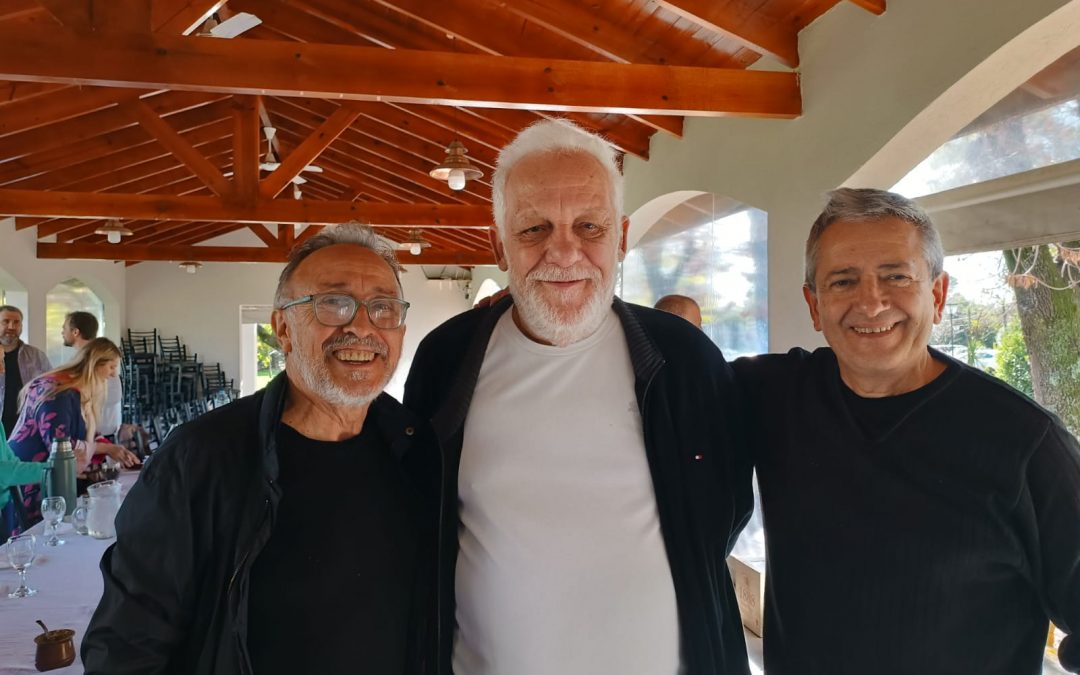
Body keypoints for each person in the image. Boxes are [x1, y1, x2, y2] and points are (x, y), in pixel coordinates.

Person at [405, 119, 752, 675]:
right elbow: (420, 515)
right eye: (533, 229)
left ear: (620, 235)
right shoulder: (446, 360)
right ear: (497, 244)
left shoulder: (683, 358)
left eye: (589, 226)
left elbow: (725, 505)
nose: (563, 253)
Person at [732, 188, 1080, 674]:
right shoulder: (772, 396)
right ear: (814, 305)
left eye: (896, 276)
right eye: (843, 281)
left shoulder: (1026, 444)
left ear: (936, 295)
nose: (871, 303)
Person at [83, 224, 439, 675]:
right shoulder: (201, 458)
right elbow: (127, 646)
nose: (361, 326)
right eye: (332, 303)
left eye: (383, 307)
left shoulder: (415, 450)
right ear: (282, 328)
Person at [8, 337, 137, 523]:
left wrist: (113, 449)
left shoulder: (72, 387)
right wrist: (108, 449)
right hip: (31, 478)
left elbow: (84, 432)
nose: (112, 374)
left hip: (42, 474)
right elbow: (61, 447)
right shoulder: (59, 391)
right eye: (111, 367)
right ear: (95, 363)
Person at [61, 311, 122, 437]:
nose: (62, 332)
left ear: (76, 332)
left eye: (64, 328)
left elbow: (114, 396)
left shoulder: (97, 358)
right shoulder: (79, 357)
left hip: (99, 433)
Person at [0, 305, 51, 436]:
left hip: (26, 428)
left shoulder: (36, 356)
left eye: (16, 322)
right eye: (5, 321)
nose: (11, 327)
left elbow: (50, 389)